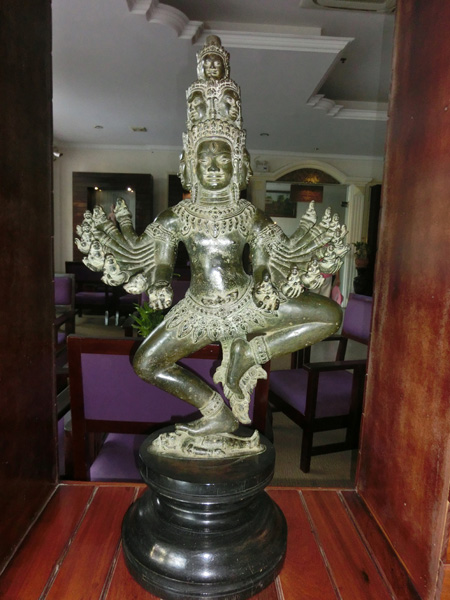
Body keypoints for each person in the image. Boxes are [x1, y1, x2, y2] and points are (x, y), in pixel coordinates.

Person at [76, 37, 348, 457]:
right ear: (190, 165)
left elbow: (264, 258)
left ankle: (248, 352)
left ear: (238, 165)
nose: (215, 167)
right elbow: (162, 262)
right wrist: (160, 283)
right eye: (205, 159)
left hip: (245, 302)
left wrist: (264, 280)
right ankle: (213, 410)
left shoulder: (248, 213)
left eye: (223, 159)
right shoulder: (177, 216)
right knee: (146, 363)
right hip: (197, 310)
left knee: (329, 315)